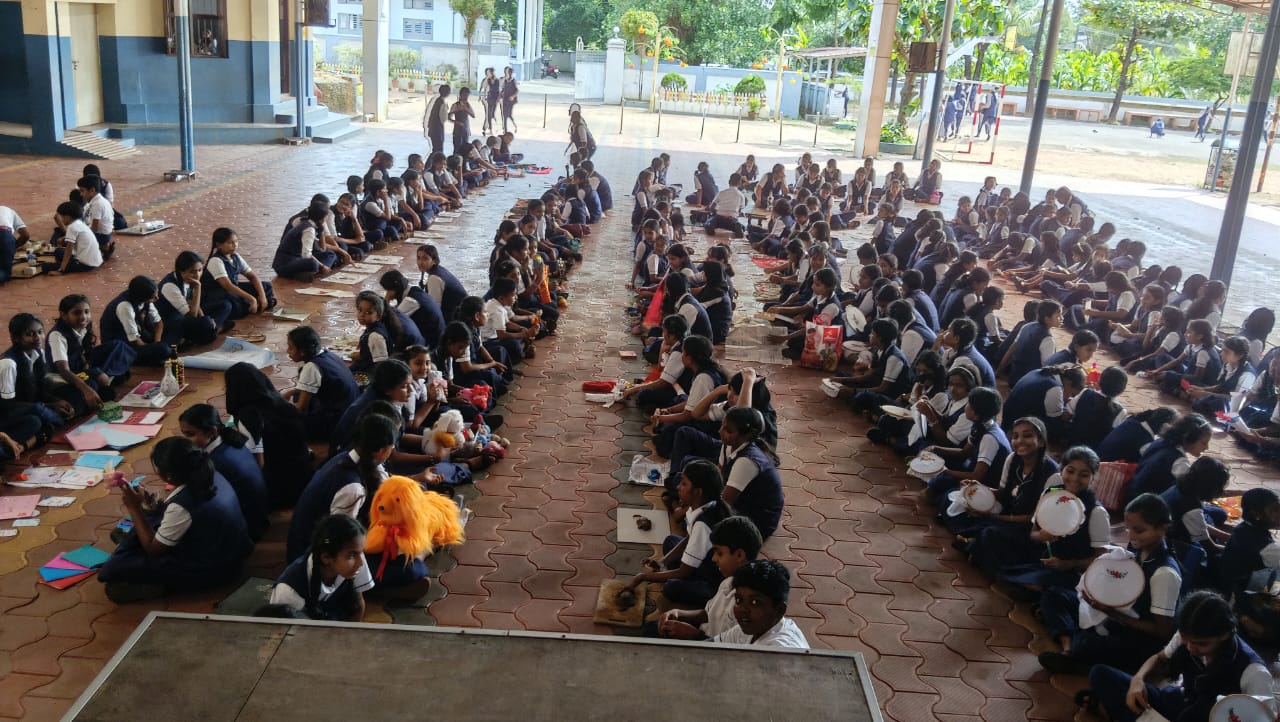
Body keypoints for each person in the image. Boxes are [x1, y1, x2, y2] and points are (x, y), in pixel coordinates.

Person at [1038, 493, 1181, 675]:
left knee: (1088, 644)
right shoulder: (1141, 551)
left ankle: (1072, 645)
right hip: (1116, 618)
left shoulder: (1164, 573)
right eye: (1128, 529)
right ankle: (1069, 646)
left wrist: (1111, 612)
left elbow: (1162, 632)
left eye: (1139, 530)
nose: (1131, 535)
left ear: (1162, 529)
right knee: (1054, 596)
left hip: (1139, 640)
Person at [99, 437, 253, 603]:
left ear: (169, 476)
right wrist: (149, 503)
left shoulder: (182, 506)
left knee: (116, 581)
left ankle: (165, 585)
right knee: (136, 533)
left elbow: (153, 549)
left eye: (157, 468)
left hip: (214, 569)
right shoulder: (210, 474)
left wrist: (134, 507)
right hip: (230, 552)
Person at [1088, 590, 1270, 722]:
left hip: (1202, 717)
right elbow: (1159, 658)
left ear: (1224, 635)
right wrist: (1138, 679)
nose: (1190, 648)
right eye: (1186, 640)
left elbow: (1263, 717)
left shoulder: (1254, 672)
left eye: (1201, 644)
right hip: (1180, 701)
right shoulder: (1188, 634)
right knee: (1100, 674)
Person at [287, 413, 398, 562]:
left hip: (315, 540)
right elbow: (341, 538)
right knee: (400, 557)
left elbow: (383, 482)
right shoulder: (353, 489)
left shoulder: (350, 456)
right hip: (313, 555)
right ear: (382, 450)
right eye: (392, 447)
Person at [625, 459, 730, 607]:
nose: (678, 487)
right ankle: (678, 572)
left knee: (671, 587)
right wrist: (663, 562)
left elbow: (683, 572)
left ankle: (694, 588)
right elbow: (689, 538)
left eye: (684, 484)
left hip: (711, 581)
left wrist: (643, 577)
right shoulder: (704, 505)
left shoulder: (703, 524)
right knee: (670, 541)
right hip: (702, 562)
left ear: (698, 492)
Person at [649, 516, 764, 640]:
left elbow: (728, 649)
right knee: (652, 628)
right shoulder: (728, 582)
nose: (714, 558)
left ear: (739, 555)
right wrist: (678, 613)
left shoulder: (746, 606)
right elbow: (708, 613)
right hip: (704, 634)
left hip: (708, 646)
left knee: (651, 633)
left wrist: (694, 635)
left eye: (719, 553)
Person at [225, 362, 314, 509]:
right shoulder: (279, 402)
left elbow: (257, 464)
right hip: (302, 479)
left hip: (281, 490)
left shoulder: (248, 416)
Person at [178, 404, 269, 542]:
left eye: (190, 434)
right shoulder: (231, 440)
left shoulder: (215, 462)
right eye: (183, 434)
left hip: (247, 527)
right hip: (259, 514)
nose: (185, 440)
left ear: (212, 431)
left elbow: (198, 496)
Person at [270, 513, 372, 621]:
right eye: (351, 556)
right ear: (326, 557)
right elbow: (289, 630)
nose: (361, 563)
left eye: (361, 552)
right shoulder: (288, 591)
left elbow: (358, 606)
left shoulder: (355, 560)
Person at [46, 294, 135, 410]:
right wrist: (86, 389)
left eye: (86, 312)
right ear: (63, 315)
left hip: (82, 367)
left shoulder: (83, 326)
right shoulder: (57, 335)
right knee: (93, 385)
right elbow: (63, 370)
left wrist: (94, 371)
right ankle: (101, 383)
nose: (83, 317)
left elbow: (86, 353)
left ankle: (104, 379)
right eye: (77, 313)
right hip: (66, 375)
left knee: (119, 346)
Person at [710, 560, 809, 649]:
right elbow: (709, 647)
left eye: (755, 602)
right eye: (739, 600)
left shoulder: (781, 651)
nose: (743, 609)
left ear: (779, 610)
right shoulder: (753, 627)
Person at [719, 407, 784, 539]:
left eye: (728, 430)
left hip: (757, 522)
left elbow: (725, 502)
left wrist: (694, 507)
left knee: (704, 521)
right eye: (722, 426)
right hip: (741, 504)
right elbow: (717, 477)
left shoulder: (746, 461)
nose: (720, 431)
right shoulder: (729, 445)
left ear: (745, 436)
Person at [156, 250, 232, 348]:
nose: (197, 275)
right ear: (182, 272)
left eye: (200, 270)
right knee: (206, 323)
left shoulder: (189, 279)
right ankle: (211, 331)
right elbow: (192, 316)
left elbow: (194, 304)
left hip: (186, 314)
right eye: (192, 272)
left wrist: (204, 317)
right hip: (173, 321)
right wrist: (198, 287)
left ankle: (211, 330)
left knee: (225, 305)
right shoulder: (170, 286)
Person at [99, 275, 169, 366]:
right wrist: (152, 350)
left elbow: (159, 323)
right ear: (142, 297)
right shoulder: (125, 306)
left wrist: (157, 342)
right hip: (121, 347)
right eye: (153, 297)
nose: (157, 298)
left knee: (169, 334)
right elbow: (135, 340)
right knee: (164, 350)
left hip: (137, 337)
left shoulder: (144, 300)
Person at [204, 227, 273, 319]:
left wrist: (262, 295)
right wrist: (251, 298)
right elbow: (227, 286)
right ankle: (254, 305)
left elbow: (252, 277)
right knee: (230, 300)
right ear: (219, 245)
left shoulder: (236, 257)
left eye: (236, 241)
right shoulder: (215, 260)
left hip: (234, 288)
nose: (235, 245)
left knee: (266, 286)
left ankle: (256, 304)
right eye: (230, 243)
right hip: (219, 293)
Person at [44, 201, 101, 275]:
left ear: (68, 217)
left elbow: (69, 250)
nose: (61, 220)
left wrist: (61, 270)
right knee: (58, 251)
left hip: (85, 264)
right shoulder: (79, 223)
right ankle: (66, 264)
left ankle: (64, 267)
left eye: (62, 217)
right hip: (93, 260)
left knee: (46, 267)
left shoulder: (72, 227)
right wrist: (63, 239)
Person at [77, 174, 115, 260]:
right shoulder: (94, 200)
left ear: (92, 190)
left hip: (100, 235)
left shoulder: (98, 204)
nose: (81, 194)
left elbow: (95, 228)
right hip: (99, 233)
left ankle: (100, 249)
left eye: (82, 191)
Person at [424, 84, 451, 155]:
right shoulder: (442, 102)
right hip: (437, 130)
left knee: (435, 150)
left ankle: (431, 161)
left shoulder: (438, 101)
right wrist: (449, 114)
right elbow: (443, 118)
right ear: (447, 93)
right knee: (438, 151)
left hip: (433, 129)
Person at [450, 86, 475, 157]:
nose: (466, 97)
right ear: (460, 95)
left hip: (466, 130)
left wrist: (466, 109)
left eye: (467, 95)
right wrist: (457, 122)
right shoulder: (455, 105)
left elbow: (473, 115)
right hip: (457, 131)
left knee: (465, 149)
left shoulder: (468, 105)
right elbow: (449, 117)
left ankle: (464, 162)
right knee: (457, 149)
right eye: (465, 95)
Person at [480, 68, 499, 135]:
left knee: (491, 114)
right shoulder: (487, 80)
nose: (488, 74)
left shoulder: (496, 80)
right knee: (488, 114)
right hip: (488, 99)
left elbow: (497, 90)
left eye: (489, 72)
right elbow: (483, 88)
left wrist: (497, 99)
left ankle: (489, 128)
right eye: (487, 73)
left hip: (494, 98)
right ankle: (488, 129)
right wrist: (482, 97)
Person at [499, 67, 518, 133]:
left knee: (509, 115)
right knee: (504, 115)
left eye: (508, 72)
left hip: (510, 101)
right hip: (505, 99)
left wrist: (513, 96)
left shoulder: (513, 81)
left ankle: (514, 125)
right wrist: (499, 97)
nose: (507, 73)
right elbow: (502, 89)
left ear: (510, 73)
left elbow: (516, 90)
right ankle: (505, 130)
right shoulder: (504, 80)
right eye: (506, 72)